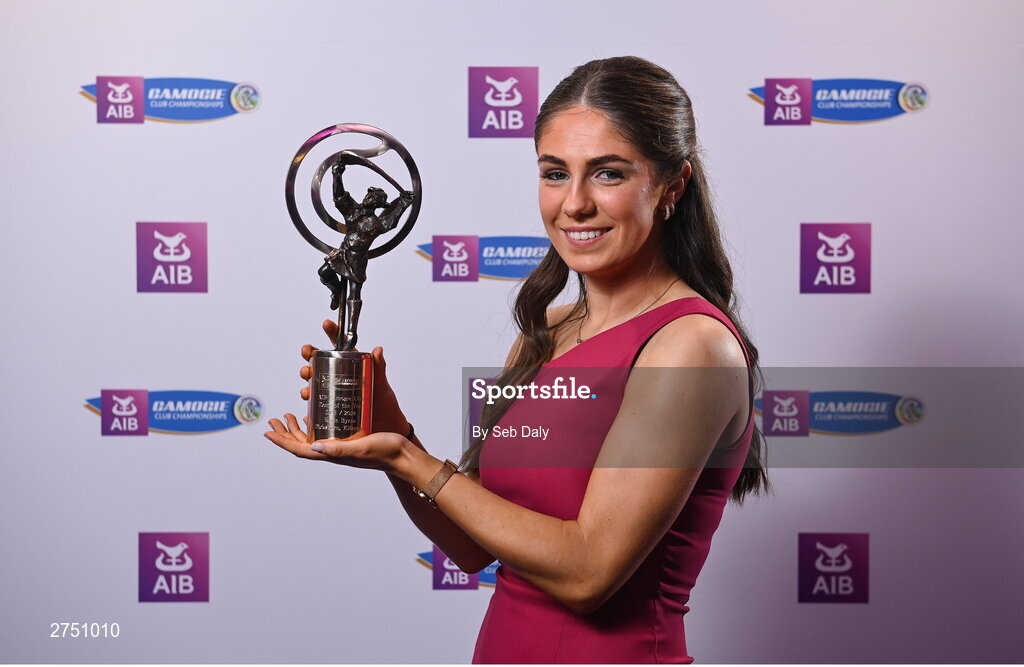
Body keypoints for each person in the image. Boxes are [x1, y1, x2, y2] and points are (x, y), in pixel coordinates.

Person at [265, 56, 769, 664]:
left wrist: (412, 460)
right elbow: (475, 546)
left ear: (672, 185)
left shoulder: (691, 346)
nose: (575, 204)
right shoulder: (548, 330)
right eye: (555, 174)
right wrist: (394, 436)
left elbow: (588, 574)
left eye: (607, 174)